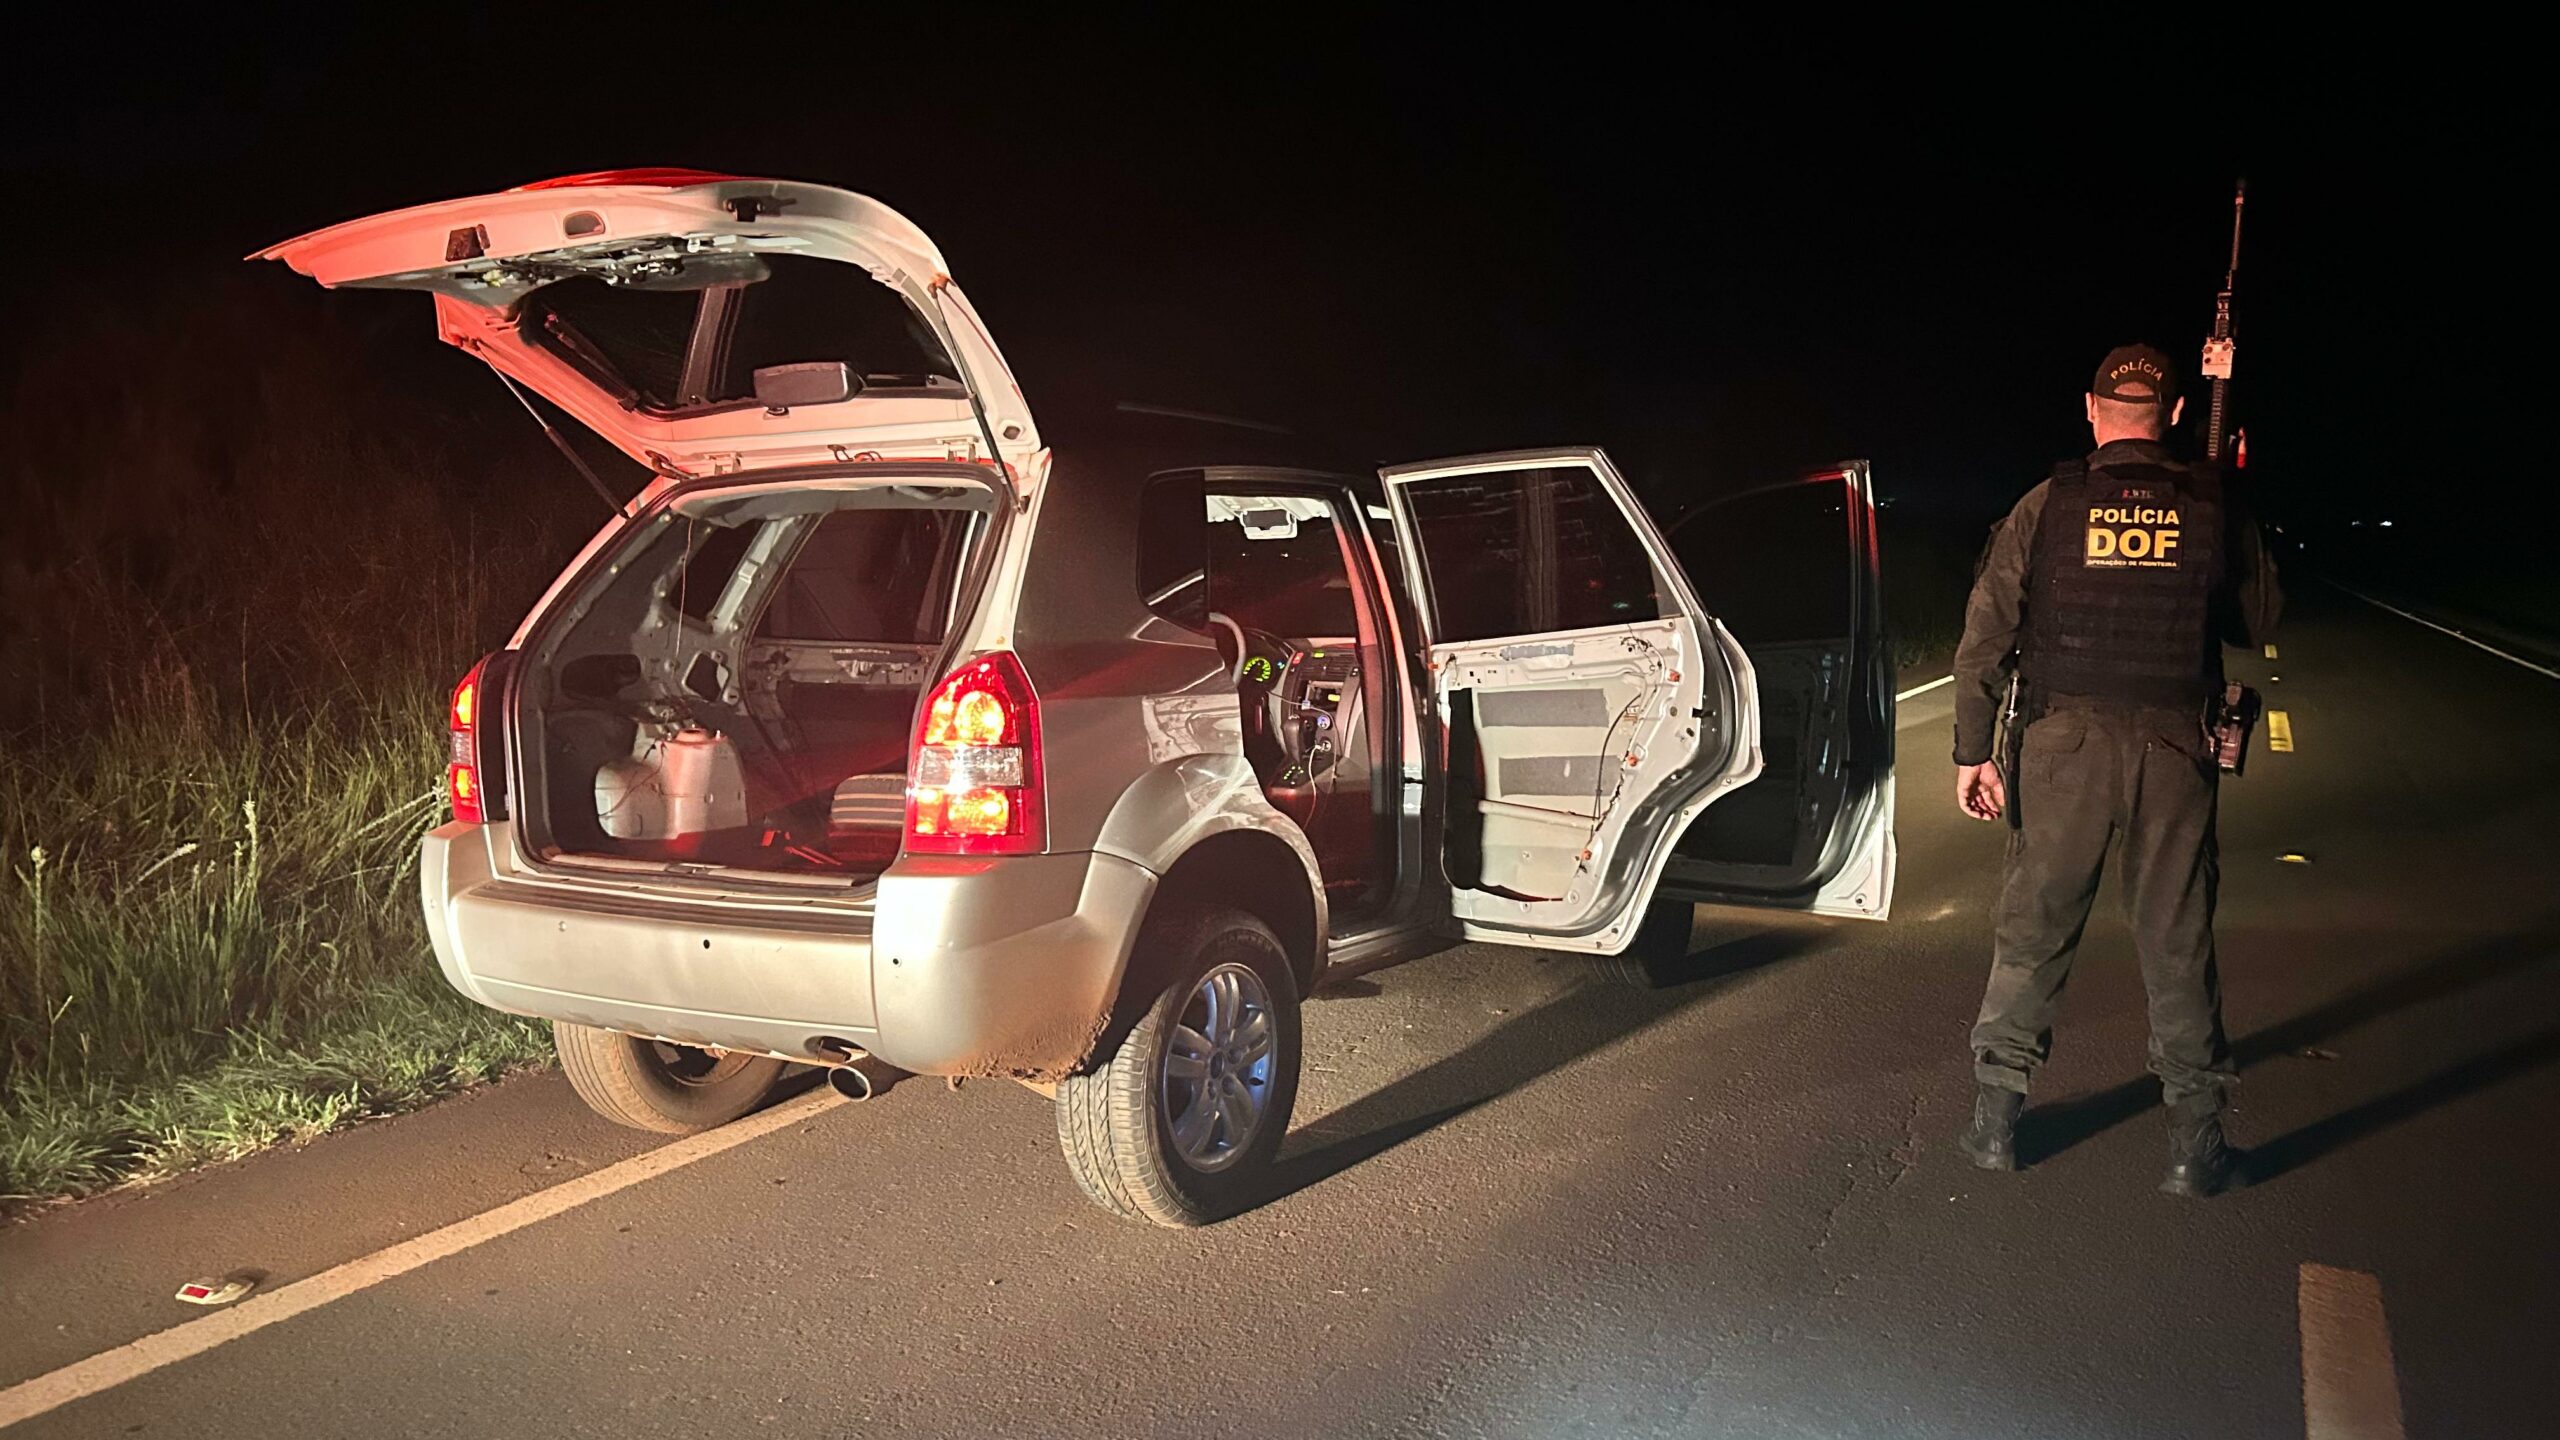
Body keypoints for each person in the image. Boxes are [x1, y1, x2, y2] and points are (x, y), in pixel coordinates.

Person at [1948, 343, 2281, 1198]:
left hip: (2063, 748)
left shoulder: (2048, 504)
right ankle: (2195, 1147)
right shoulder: (2211, 504)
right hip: (2175, 750)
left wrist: (1972, 751)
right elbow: (2257, 621)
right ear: (2174, 415)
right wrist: (2229, 488)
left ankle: (1994, 1124)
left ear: (2091, 410)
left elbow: (1984, 640)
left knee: (2034, 933)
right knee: (2176, 939)